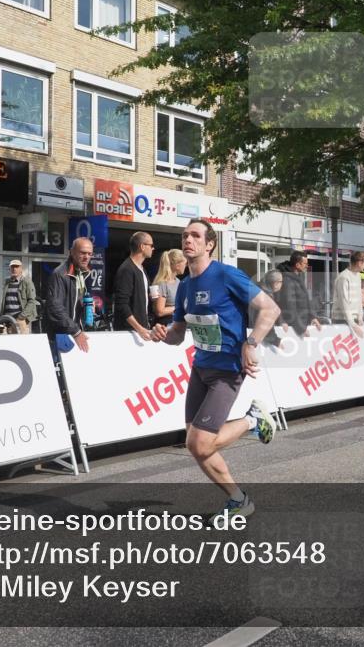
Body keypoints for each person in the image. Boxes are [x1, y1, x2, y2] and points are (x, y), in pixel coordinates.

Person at [150, 219, 280, 523]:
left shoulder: (226, 275)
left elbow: (270, 309)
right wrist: (161, 334)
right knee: (196, 445)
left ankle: (253, 419)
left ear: (209, 244)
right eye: (185, 235)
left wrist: (250, 342)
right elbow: (178, 334)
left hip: (227, 369)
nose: (188, 240)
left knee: (199, 443)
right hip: (201, 368)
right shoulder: (185, 286)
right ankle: (238, 499)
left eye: (196, 236)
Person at [44, 238, 93, 353]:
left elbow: (73, 302)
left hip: (73, 333)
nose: (86, 257)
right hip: (61, 336)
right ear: (72, 252)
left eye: (89, 254)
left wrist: (86, 305)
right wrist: (76, 331)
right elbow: (55, 308)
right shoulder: (59, 274)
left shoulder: (81, 273)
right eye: (83, 253)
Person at [114, 231, 153, 339]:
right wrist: (139, 328)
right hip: (129, 332)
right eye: (151, 245)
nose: (153, 248)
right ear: (142, 247)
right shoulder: (127, 269)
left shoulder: (141, 269)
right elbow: (122, 304)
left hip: (140, 329)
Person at [275, 251, 321, 336]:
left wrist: (312, 317)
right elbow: (289, 307)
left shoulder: (297, 277)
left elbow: (305, 300)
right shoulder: (288, 280)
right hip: (293, 329)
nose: (307, 266)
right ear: (297, 265)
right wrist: (301, 329)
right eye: (305, 264)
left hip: (301, 325)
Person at [150, 249, 187, 327]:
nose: (186, 266)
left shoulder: (178, 281)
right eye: (185, 263)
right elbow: (160, 311)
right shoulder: (162, 283)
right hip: (164, 326)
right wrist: (179, 308)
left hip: (176, 322)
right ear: (177, 265)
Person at [331, 251, 364, 327]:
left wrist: (360, 317)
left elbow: (359, 298)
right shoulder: (344, 277)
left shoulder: (358, 275)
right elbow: (343, 301)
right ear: (359, 263)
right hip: (341, 319)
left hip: (354, 319)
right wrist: (351, 322)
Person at [1, 259, 38, 334]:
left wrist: (21, 316)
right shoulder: (7, 281)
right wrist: (2, 317)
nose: (14, 269)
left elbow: (32, 301)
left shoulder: (26, 282)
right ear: (10, 269)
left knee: (21, 340)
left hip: (20, 319)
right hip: (8, 320)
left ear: (21, 269)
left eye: (17, 267)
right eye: (12, 267)